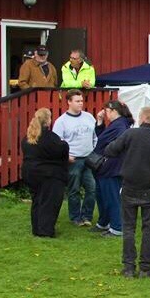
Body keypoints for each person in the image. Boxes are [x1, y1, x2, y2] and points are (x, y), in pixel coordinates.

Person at [104, 107, 150, 278]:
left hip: (129, 186)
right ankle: (145, 268)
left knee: (128, 228)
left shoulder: (130, 135)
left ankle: (128, 267)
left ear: (142, 118)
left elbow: (110, 150)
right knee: (148, 229)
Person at [52, 89, 97, 227]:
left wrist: (93, 150)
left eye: (82, 101)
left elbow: (95, 136)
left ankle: (87, 216)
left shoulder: (89, 117)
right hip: (73, 160)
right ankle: (75, 217)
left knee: (92, 188)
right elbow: (57, 143)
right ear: (69, 102)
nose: (80, 103)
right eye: (77, 101)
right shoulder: (61, 122)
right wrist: (66, 157)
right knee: (74, 190)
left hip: (89, 158)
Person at [22, 108, 69, 238]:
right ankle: (45, 230)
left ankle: (36, 228)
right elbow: (61, 149)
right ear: (48, 121)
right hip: (49, 175)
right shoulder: (50, 138)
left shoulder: (28, 137)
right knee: (49, 202)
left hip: (30, 173)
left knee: (37, 200)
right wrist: (65, 144)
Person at [90, 100, 132, 237]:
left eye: (107, 111)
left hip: (111, 167)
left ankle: (117, 227)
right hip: (109, 166)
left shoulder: (119, 126)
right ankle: (104, 222)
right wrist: (100, 123)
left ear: (114, 111)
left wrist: (108, 152)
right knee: (103, 195)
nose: (105, 113)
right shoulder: (119, 124)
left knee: (111, 197)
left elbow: (104, 141)